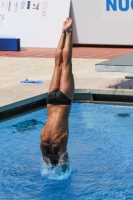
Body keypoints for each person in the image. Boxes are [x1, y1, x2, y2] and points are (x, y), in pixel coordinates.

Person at [40, 18, 74, 172]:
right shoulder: (43, 143)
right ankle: (62, 32)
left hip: (63, 101)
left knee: (66, 64)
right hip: (50, 100)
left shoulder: (61, 144)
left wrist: (63, 169)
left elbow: (65, 164)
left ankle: (69, 32)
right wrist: (48, 163)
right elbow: (45, 159)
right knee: (57, 65)